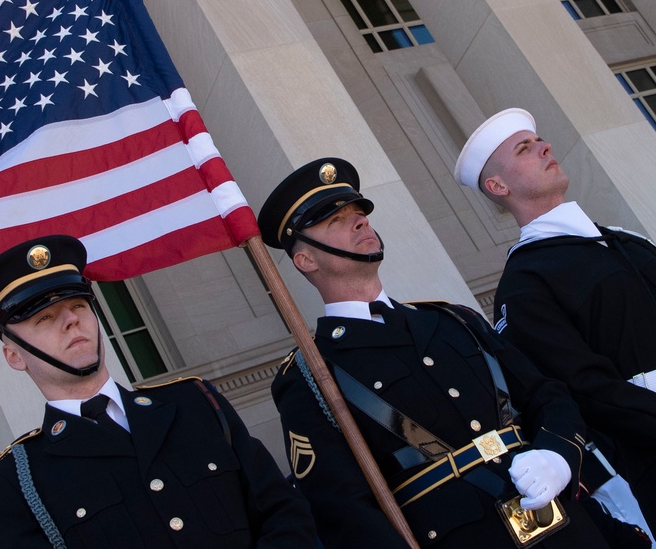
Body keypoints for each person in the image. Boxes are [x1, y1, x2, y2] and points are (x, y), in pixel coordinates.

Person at [259, 157, 609, 548]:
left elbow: (547, 395)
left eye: (358, 212)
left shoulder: (451, 319)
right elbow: (342, 509)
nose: (361, 221)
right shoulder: (311, 373)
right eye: (336, 221)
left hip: (567, 528)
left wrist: (559, 456)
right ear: (305, 260)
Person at [0, 234, 318, 548]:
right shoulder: (17, 480)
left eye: (77, 305)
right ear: (14, 356)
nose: (71, 320)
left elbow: (283, 512)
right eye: (44, 317)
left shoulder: (195, 402)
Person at [455, 108, 656, 546]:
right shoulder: (526, 282)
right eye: (524, 148)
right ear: (499, 186)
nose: (545, 147)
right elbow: (586, 390)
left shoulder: (625, 240)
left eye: (539, 140)